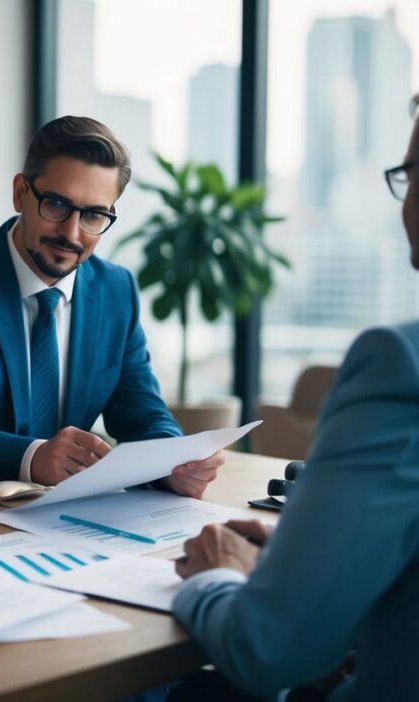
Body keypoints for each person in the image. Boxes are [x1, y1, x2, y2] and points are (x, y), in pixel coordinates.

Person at [170, 94, 419, 702]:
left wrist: (215, 577)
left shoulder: (399, 365)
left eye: (408, 174)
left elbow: (268, 649)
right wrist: (304, 561)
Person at [0, 116, 224, 495]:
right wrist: (32, 457)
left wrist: (174, 461)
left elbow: (143, 416)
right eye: (56, 204)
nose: (71, 232)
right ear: (21, 194)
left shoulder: (115, 290)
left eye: (94, 214)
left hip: (63, 517)